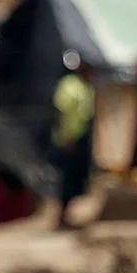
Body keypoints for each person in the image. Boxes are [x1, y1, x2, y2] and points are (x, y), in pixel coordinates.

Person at [49, 51, 93, 225]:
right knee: (66, 180)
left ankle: (67, 215)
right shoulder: (68, 85)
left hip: (80, 139)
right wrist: (66, 137)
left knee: (77, 178)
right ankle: (61, 216)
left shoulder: (85, 87)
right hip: (68, 140)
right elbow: (60, 112)